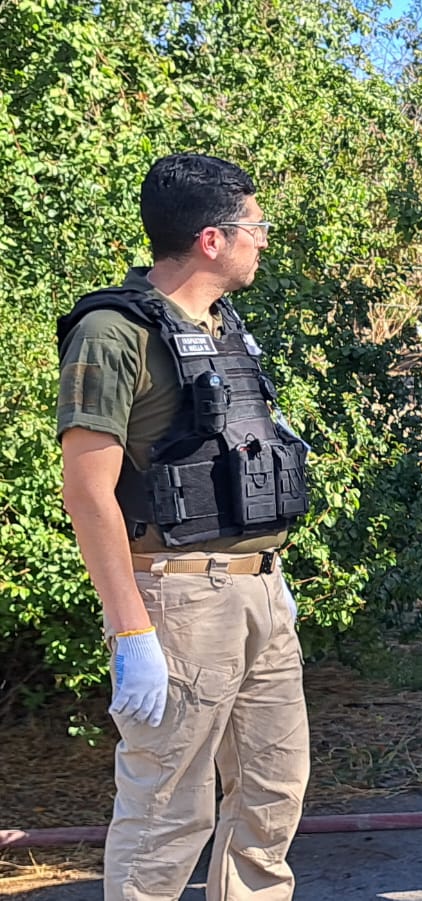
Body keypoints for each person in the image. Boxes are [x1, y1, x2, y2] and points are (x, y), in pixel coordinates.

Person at [57, 154, 310, 900]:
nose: (262, 239)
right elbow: (87, 490)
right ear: (211, 238)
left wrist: (272, 579)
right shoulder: (112, 332)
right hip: (175, 600)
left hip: (257, 593)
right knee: (168, 811)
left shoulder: (226, 327)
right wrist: (131, 630)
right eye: (254, 227)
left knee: (273, 792)